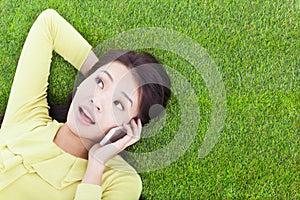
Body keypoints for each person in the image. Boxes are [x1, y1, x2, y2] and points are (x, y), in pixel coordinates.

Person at [0, 9, 171, 199]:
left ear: (129, 128)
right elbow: (49, 25)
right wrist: (98, 70)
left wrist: (95, 166)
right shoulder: (28, 117)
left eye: (119, 104)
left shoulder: (121, 181)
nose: (97, 101)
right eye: (100, 83)